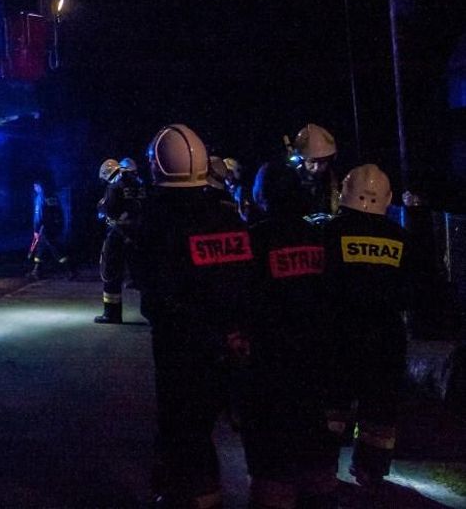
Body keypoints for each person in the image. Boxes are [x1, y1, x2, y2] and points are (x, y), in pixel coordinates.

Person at [131, 124, 254, 509]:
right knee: (214, 426)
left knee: (185, 431)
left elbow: (155, 292)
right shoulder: (228, 216)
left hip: (181, 350)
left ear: (158, 168)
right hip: (233, 345)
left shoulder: (155, 221)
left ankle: (193, 497)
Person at [323, 164, 429, 489]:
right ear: (387, 198)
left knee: (331, 409)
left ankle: (323, 470)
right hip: (386, 338)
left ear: (345, 192)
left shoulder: (328, 232)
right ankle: (371, 474)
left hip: (338, 336)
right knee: (380, 413)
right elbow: (419, 290)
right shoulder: (401, 238)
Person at [241, 161, 338, 508]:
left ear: (260, 196)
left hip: (270, 364)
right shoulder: (320, 236)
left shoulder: (253, 239)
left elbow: (244, 299)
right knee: (314, 441)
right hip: (315, 361)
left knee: (272, 457)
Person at [94, 156, 145, 324]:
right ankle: (153, 310)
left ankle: (111, 314)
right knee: (140, 273)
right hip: (138, 233)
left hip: (117, 233)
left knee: (110, 271)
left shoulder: (114, 186)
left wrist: (101, 208)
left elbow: (106, 207)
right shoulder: (138, 184)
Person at [291, 123, 340, 218]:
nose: (317, 167)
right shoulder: (291, 183)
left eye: (323, 162)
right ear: (301, 159)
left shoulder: (336, 180)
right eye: (312, 161)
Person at [26, 179, 64, 279]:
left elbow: (38, 215)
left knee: (55, 249)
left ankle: (70, 269)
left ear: (39, 186)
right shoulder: (53, 196)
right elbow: (60, 212)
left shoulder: (40, 197)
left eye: (35, 186)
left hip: (45, 228)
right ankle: (36, 271)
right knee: (40, 249)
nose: (34, 189)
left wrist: (36, 230)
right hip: (54, 226)